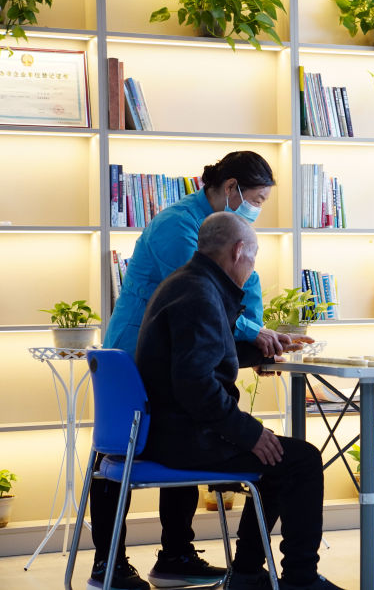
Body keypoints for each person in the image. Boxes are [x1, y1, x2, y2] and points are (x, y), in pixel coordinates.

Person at [91, 152, 297, 590]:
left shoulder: (228, 232)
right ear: (232, 188)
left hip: (175, 351)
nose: (257, 209)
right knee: (128, 448)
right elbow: (208, 293)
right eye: (257, 199)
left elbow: (242, 290)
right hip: (136, 352)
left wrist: (255, 337)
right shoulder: (178, 226)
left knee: (184, 431)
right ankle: (108, 564)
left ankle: (176, 555)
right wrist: (256, 333)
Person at [135, 212, 342, 590]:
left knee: (278, 457)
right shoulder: (201, 295)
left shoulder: (187, 282)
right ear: (238, 250)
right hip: (185, 437)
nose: (253, 266)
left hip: (168, 429)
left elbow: (203, 354)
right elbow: (196, 384)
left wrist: (262, 354)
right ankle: (299, 580)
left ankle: (247, 572)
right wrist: (249, 433)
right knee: (302, 460)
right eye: (254, 256)